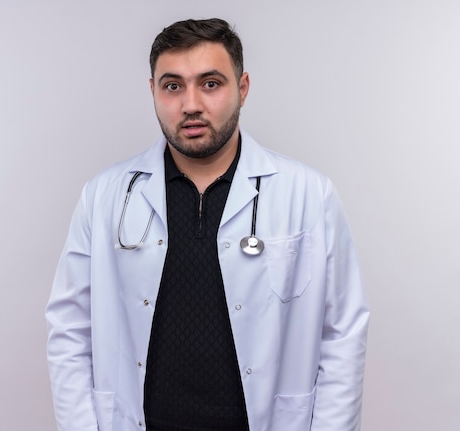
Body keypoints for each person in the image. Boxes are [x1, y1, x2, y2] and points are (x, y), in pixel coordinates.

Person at [46, 18, 369, 431]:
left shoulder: (308, 194)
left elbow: (342, 334)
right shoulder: (104, 195)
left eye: (211, 83)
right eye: (173, 86)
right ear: (153, 92)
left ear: (243, 88)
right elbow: (69, 328)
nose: (191, 104)